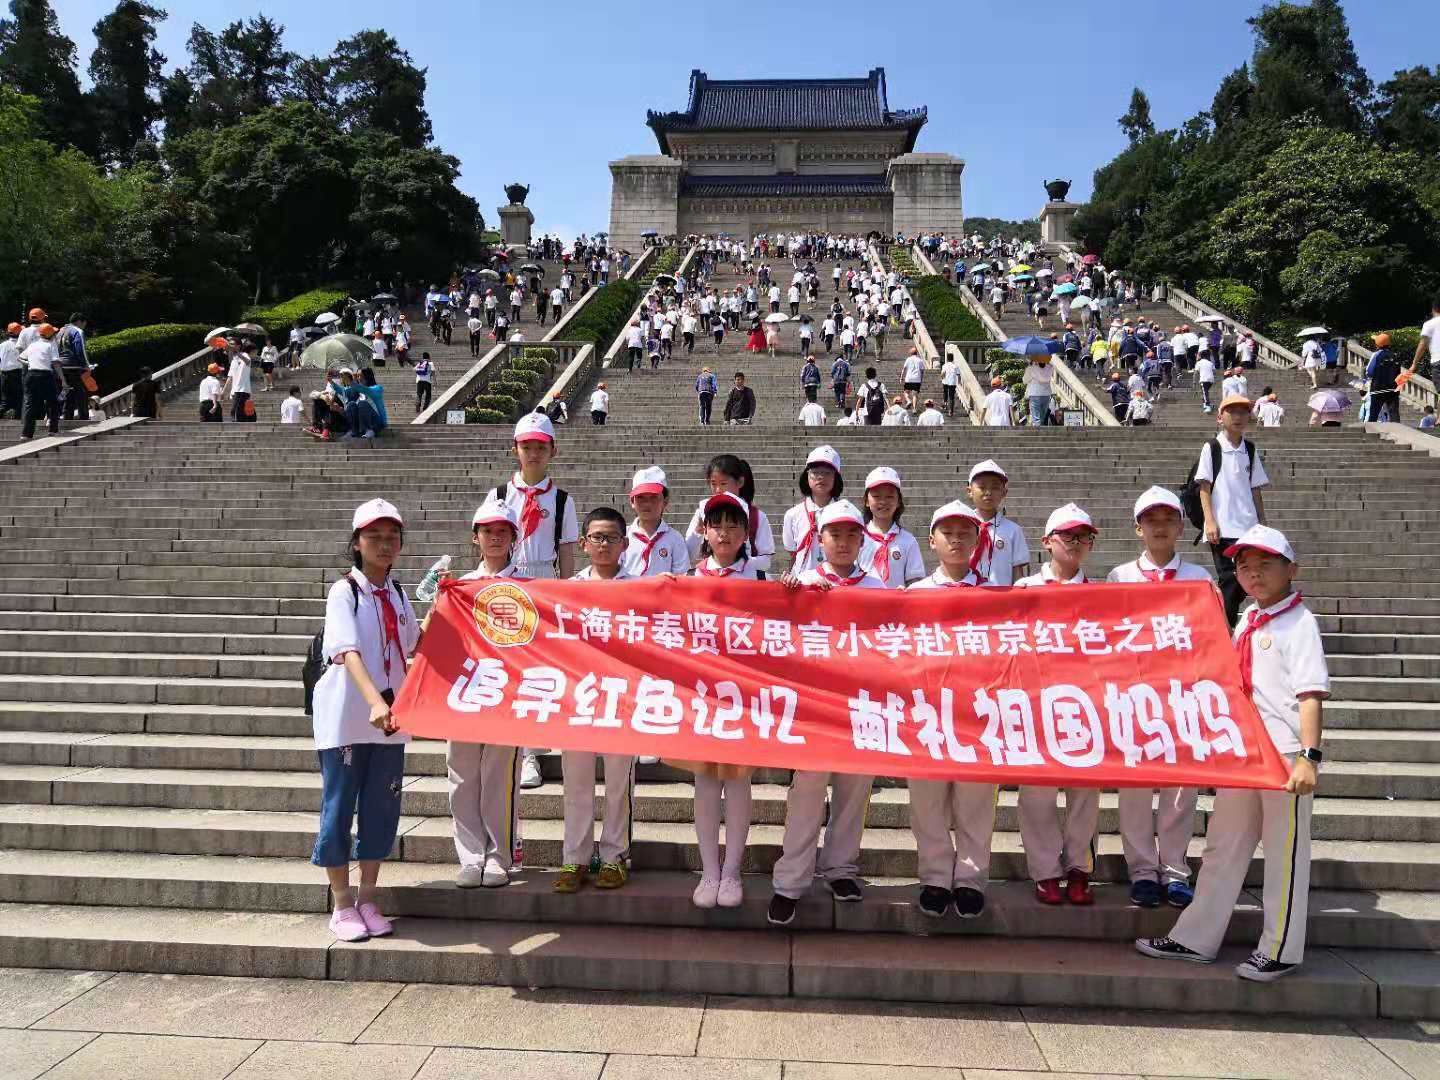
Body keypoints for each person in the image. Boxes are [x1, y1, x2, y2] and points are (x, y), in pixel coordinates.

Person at [1138, 525, 1328, 982]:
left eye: (1265, 565)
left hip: (1284, 755)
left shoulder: (1299, 623)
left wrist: (1309, 756)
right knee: (1222, 846)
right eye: (1244, 566)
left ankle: (1280, 949)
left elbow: (1311, 694)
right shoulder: (1248, 619)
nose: (1253, 574)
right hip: (1246, 754)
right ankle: (1196, 938)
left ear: (1291, 570)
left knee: (1284, 853)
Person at [768, 499, 885, 927]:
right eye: (835, 534)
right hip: (814, 705)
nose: (843, 542)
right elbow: (779, 635)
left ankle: (840, 869)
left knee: (855, 791)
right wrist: (787, 598)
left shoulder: (877, 588)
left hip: (861, 704)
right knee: (807, 793)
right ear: (820, 539)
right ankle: (790, 881)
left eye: (852, 534)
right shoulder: (802, 582)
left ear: (863, 539)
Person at [310, 499, 418, 940]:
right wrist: (375, 701)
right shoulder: (345, 592)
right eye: (374, 537)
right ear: (356, 543)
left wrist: (447, 605)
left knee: (381, 809)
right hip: (347, 720)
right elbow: (347, 651)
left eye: (392, 537)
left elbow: (414, 643)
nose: (384, 544)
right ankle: (341, 903)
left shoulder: (398, 593)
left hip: (390, 722)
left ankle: (368, 898)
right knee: (339, 809)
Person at [1107, 487, 1214, 908]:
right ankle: (1141, 870)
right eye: (1151, 520)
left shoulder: (1199, 578)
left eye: (1169, 519)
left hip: (1183, 697)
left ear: (1181, 528)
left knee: (1181, 790)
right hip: (1134, 698)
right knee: (1134, 789)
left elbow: (1210, 637)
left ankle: (1174, 870)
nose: (1160, 527)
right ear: (1138, 529)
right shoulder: (1119, 578)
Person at [1014, 504, 1101, 905]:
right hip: (1036, 704)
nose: (1076, 543)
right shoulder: (1025, 589)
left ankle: (1080, 867)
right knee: (1037, 795)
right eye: (1068, 536)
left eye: (1084, 536)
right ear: (1047, 542)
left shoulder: (1102, 594)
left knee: (1085, 793)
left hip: (1086, 706)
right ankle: (1046, 870)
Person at [681, 491, 764, 908]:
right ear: (704, 531)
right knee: (705, 783)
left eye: (734, 525)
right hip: (701, 695)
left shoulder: (760, 579)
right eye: (717, 525)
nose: (725, 533)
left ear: (746, 533)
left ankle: (732, 870)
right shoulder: (687, 578)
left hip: (742, 696)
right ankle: (708, 870)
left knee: (738, 782)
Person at [492, 412, 579, 790]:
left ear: (552, 451)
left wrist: (568, 597)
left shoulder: (562, 500)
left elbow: (568, 553)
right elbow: (488, 543)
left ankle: (533, 751)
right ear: (515, 449)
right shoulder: (499, 495)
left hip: (545, 582)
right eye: (526, 446)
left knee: (540, 669)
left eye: (540, 447)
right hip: (508, 582)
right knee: (510, 666)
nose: (533, 453)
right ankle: (514, 746)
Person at [554, 506, 638, 894]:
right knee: (576, 782)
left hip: (622, 698)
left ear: (625, 543)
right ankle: (575, 857)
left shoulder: (638, 589)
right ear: (583, 543)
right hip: (579, 698)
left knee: (619, 782)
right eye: (596, 537)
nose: (604, 544)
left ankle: (615, 856)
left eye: (611, 537)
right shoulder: (567, 590)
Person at [446, 498, 529, 888]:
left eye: (502, 532)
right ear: (474, 537)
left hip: (507, 693)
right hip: (465, 691)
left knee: (500, 775)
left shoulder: (529, 586)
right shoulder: (459, 585)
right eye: (488, 532)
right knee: (462, 774)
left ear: (513, 538)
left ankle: (498, 855)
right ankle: (470, 856)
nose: (495, 538)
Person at [1195, 395, 1269, 626]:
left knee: (1245, 579)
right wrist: (1210, 521)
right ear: (1220, 418)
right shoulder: (1212, 447)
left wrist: (1263, 523)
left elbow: (1255, 489)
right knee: (1229, 579)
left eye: (1243, 412)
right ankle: (1224, 631)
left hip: (1248, 527)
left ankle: (1224, 622)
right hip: (1223, 527)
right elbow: (1204, 487)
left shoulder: (1250, 448)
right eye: (1232, 412)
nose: (1238, 417)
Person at [683, 453, 775, 573]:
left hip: (744, 579)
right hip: (710, 577)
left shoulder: (757, 516)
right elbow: (688, 556)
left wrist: (732, 565)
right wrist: (698, 532)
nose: (718, 490)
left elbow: (765, 561)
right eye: (713, 484)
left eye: (723, 484)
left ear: (740, 482)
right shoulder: (702, 512)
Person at [858, 467, 925, 589]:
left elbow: (915, 580)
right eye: (876, 496)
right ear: (866, 501)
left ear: (898, 501)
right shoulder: (857, 538)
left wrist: (909, 590)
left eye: (889, 496)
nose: (883, 501)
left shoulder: (908, 540)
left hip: (897, 601)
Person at [966, 459, 1030, 585]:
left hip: (1002, 595)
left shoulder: (1013, 530)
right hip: (967, 594)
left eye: (995, 487)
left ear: (1004, 493)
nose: (988, 492)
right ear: (970, 491)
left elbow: (1017, 572)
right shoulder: (963, 528)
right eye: (982, 487)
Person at [782, 444, 843, 575]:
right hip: (802, 581)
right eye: (815, 472)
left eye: (827, 472)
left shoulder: (845, 514)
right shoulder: (793, 514)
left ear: (836, 477)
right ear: (807, 476)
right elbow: (792, 551)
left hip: (835, 581)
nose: (821, 477)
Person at [622, 466, 688, 576]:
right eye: (640, 497)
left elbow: (681, 576)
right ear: (632, 501)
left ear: (665, 502)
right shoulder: (621, 536)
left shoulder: (675, 539)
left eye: (653, 497)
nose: (647, 503)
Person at [19, 323, 63, 439]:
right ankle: (53, 430)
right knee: (53, 403)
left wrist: (29, 363)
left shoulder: (33, 345)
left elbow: (20, 358)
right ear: (50, 335)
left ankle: (26, 434)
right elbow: (56, 363)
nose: (55, 335)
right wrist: (63, 380)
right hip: (45, 375)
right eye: (54, 333)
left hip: (31, 375)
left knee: (30, 404)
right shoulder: (51, 345)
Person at [55, 313, 91, 421]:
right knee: (81, 392)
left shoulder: (60, 331)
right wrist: (86, 365)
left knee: (67, 392)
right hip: (73, 366)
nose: (84, 327)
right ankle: (83, 417)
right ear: (80, 321)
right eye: (84, 324)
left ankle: (67, 417)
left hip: (60, 367)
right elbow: (80, 349)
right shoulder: (77, 331)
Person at [1365, 333, 1403, 423]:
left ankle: (1371, 430)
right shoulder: (1395, 355)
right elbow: (1398, 373)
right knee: (1394, 413)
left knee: (1373, 414)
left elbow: (1369, 372)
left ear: (1378, 345)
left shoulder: (1376, 355)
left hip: (1378, 389)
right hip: (1393, 389)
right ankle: (1397, 429)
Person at [223, 345, 255, 423]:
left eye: (232, 344)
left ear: (238, 346)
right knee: (240, 412)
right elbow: (230, 378)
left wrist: (237, 353)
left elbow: (247, 361)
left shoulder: (245, 355)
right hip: (235, 391)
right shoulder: (233, 361)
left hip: (242, 389)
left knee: (235, 412)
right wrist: (223, 392)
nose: (229, 346)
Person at [1022, 355, 1054, 427]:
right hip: (1046, 394)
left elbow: (1024, 380)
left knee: (1036, 417)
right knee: (1042, 417)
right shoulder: (1050, 368)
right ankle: (1041, 429)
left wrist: (1027, 369)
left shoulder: (1031, 368)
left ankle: (1038, 431)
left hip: (1035, 393)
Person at [1414, 295, 1440, 376]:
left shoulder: (1429, 324)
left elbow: (1423, 344)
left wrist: (1414, 364)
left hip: (1438, 362)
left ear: (1433, 309)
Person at [0, 322, 21, 419]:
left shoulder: (2, 345)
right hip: (18, 373)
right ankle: (18, 421)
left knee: (4, 401)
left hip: (4, 373)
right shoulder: (21, 345)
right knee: (19, 399)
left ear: (8, 332)